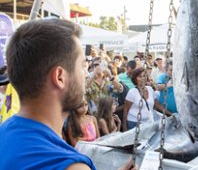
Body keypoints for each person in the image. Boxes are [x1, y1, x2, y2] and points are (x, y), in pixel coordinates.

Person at [0, 19, 136, 170]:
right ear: (59, 77)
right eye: (81, 65)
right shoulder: (70, 165)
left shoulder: (5, 132)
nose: (85, 73)